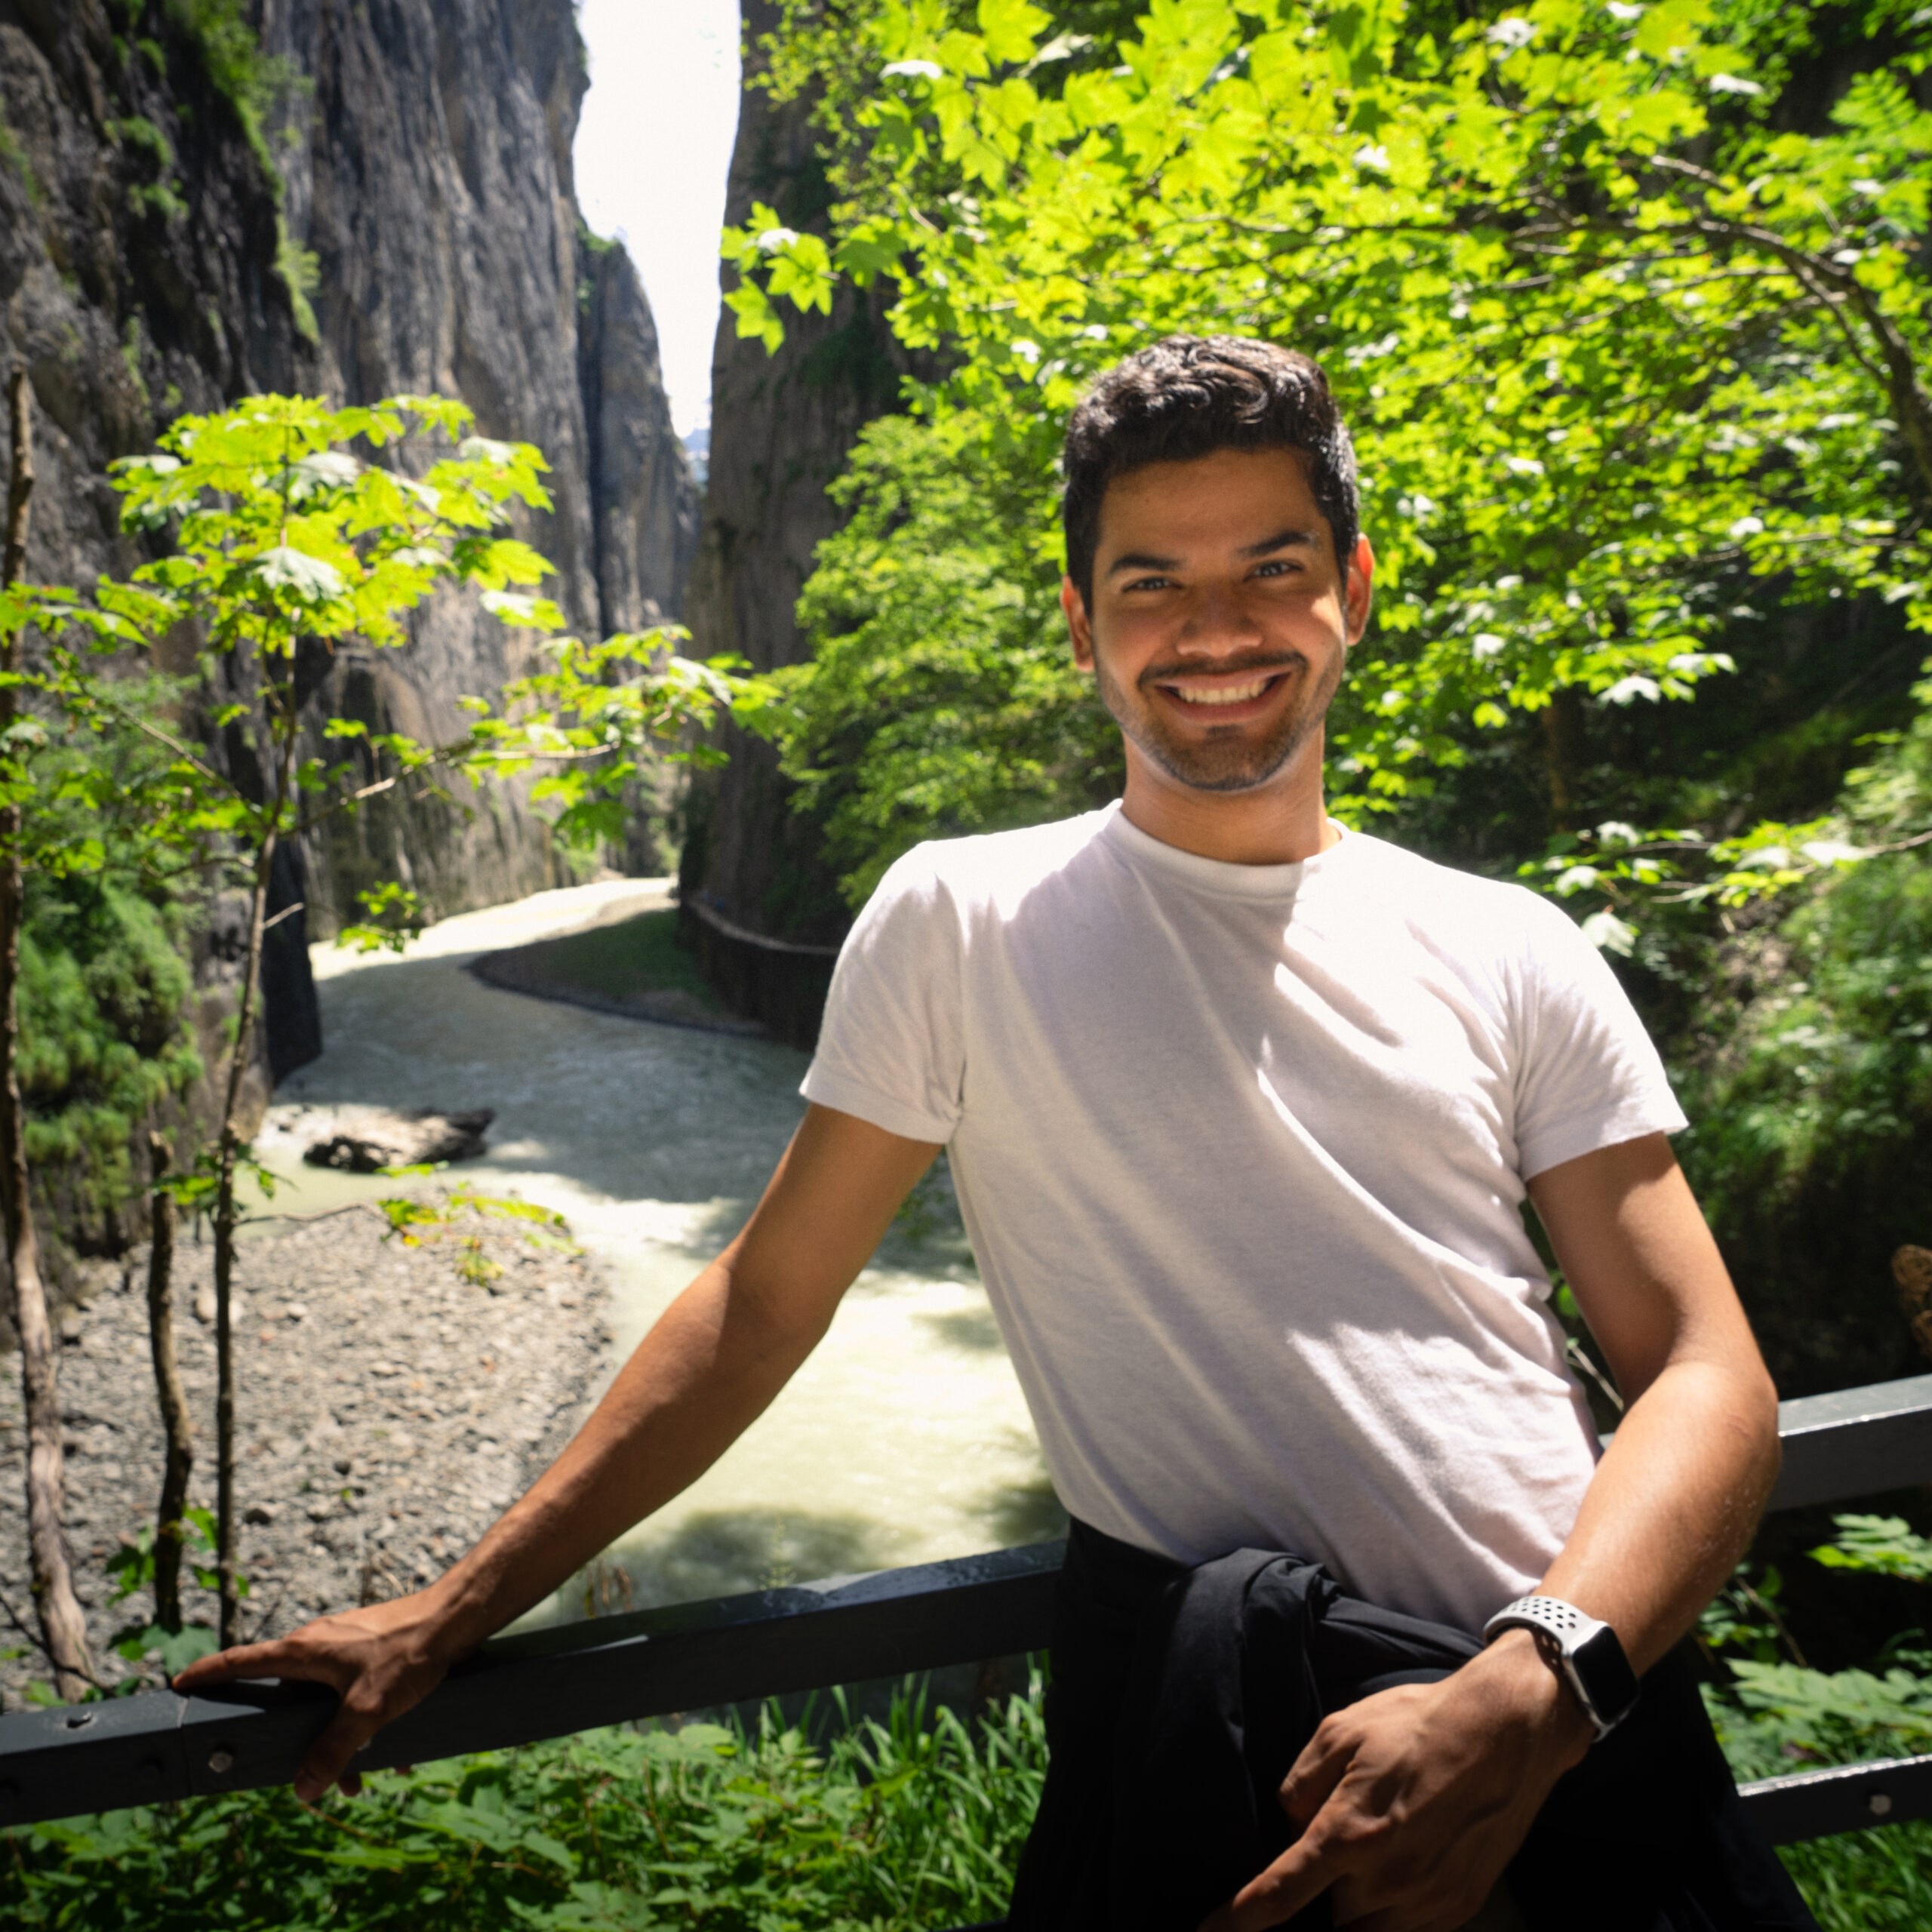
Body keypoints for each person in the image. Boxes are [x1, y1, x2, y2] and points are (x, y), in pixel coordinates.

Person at [180, 337, 1808, 1930]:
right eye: (1151, 581)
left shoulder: (1504, 939)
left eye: (1269, 565)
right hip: (1224, 1738)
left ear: (1352, 588)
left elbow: (1702, 1366)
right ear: (1079, 621)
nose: (1215, 628)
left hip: (1569, 1698)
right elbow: (763, 1302)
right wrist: (456, 1607)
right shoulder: (961, 917)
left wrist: (1537, 1679)